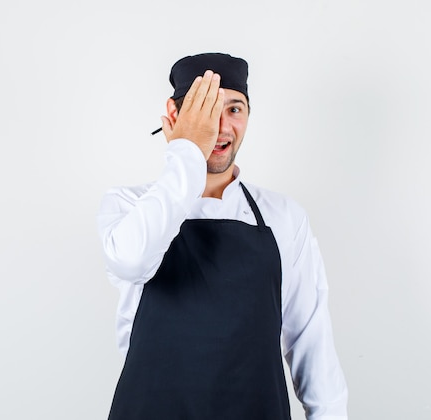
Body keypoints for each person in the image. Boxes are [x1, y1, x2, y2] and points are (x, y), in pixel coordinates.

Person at [97, 52, 348, 420]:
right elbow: (132, 261)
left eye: (234, 109)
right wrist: (187, 152)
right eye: (206, 110)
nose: (220, 127)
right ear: (173, 115)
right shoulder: (129, 204)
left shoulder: (284, 217)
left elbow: (312, 343)